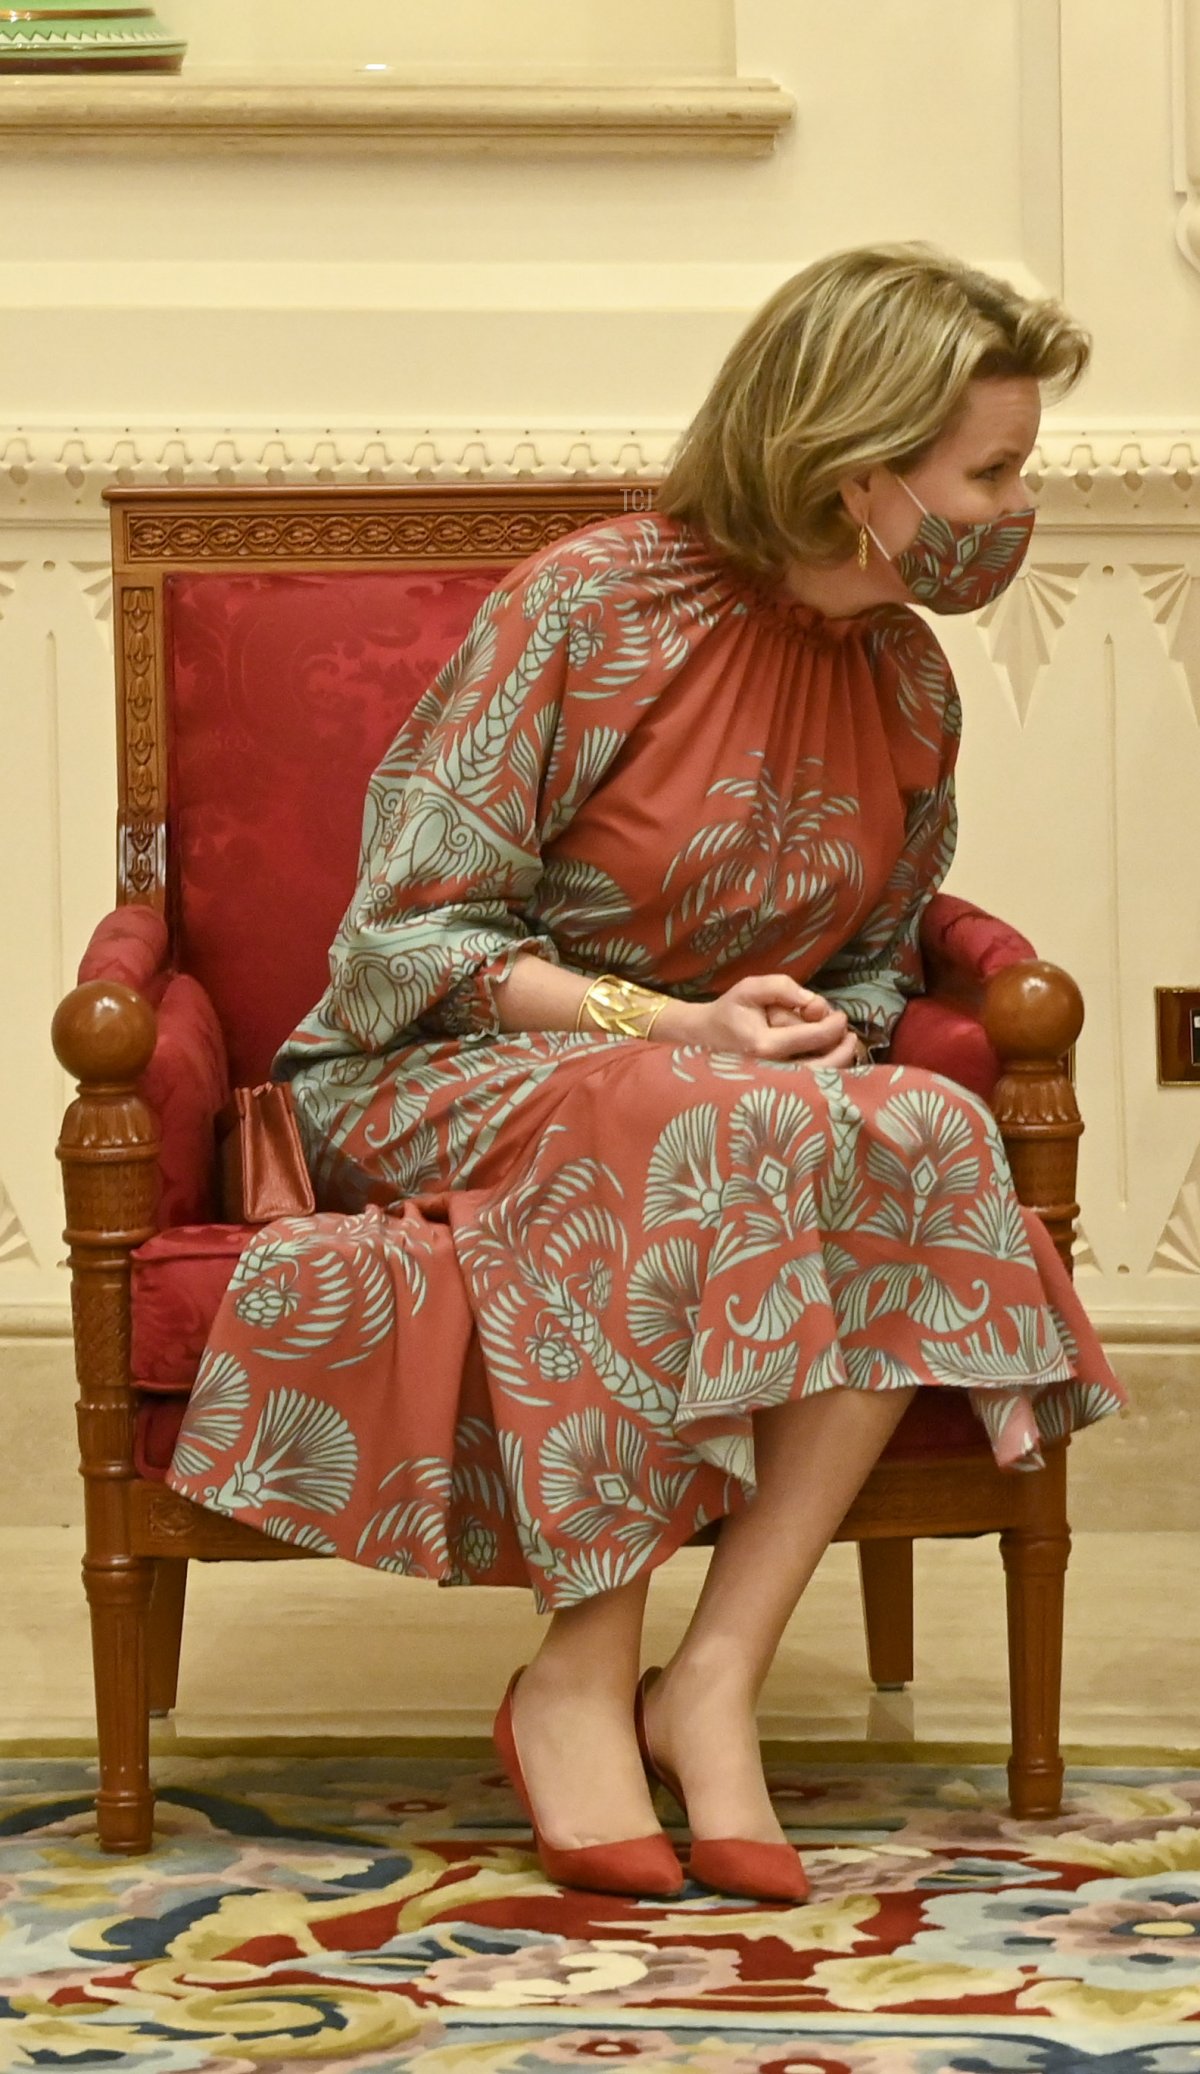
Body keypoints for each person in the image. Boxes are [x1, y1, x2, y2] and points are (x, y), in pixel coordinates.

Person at [166, 244, 1125, 1903]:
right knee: (724, 1113)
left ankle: (715, 1675)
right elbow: (401, 944)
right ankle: (578, 1670)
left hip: (726, 1091)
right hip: (447, 1067)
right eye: (991, 471)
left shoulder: (907, 675)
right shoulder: (589, 606)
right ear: (856, 475)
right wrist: (670, 1029)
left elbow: (882, 956)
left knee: (928, 1126)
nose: (1016, 506)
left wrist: (832, 1025)